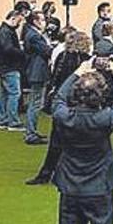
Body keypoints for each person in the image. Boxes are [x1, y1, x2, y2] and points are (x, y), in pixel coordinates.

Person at [52, 56, 113, 224]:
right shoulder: (105, 119)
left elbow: (59, 98)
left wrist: (78, 72)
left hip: (71, 184)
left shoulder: (64, 117)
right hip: (100, 185)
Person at [29, 30, 92, 186]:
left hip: (62, 103)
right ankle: (73, 174)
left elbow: (55, 78)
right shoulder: (86, 61)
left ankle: (46, 173)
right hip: (78, 104)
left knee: (56, 143)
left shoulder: (63, 57)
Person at [0, 9, 26, 132]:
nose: (19, 25)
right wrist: (22, 52)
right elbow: (8, 49)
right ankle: (13, 122)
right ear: (13, 18)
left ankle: (3, 119)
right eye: (18, 21)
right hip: (9, 67)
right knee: (14, 93)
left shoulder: (3, 31)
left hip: (4, 67)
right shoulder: (5, 32)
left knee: (5, 94)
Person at [22, 12, 53, 145]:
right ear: (35, 21)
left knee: (36, 103)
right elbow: (46, 51)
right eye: (42, 20)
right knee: (35, 103)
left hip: (37, 71)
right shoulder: (34, 36)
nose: (44, 22)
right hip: (37, 71)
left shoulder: (34, 34)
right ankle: (30, 133)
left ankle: (32, 131)